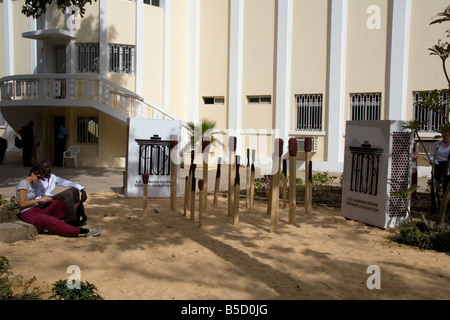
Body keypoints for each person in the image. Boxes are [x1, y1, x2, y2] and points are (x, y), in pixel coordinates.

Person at [16, 165, 102, 238]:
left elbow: (66, 183)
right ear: (32, 173)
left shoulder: (33, 183)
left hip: (36, 209)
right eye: (38, 177)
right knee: (53, 222)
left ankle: (68, 223)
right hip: (27, 213)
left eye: (41, 178)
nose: (39, 180)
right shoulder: (24, 183)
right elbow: (22, 203)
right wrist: (40, 199)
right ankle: (86, 231)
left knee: (57, 202)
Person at [35, 159, 88, 227]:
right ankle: (70, 221)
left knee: (74, 190)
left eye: (48, 167)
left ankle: (78, 216)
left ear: (51, 168)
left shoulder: (53, 177)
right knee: (67, 194)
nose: (46, 169)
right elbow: (37, 196)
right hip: (43, 202)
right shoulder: (38, 179)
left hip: (51, 198)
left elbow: (68, 182)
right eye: (44, 167)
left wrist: (82, 190)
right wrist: (41, 201)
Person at [428, 132, 450, 213]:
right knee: (434, 187)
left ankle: (445, 208)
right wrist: (431, 161)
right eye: (443, 135)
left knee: (446, 189)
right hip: (437, 166)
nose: (445, 137)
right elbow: (432, 155)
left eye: (446, 135)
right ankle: (435, 206)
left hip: (447, 167)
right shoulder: (437, 144)